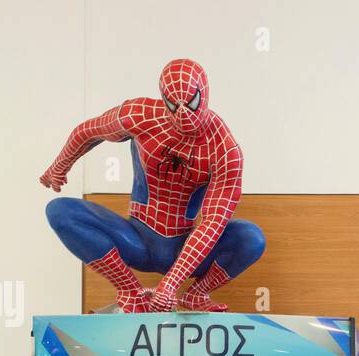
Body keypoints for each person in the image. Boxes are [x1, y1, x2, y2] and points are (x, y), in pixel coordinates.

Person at [41, 57, 265, 314]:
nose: (183, 115)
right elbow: (88, 131)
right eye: (173, 105)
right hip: (136, 238)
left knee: (251, 238)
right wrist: (60, 165)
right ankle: (130, 290)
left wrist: (171, 284)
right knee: (59, 211)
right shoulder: (140, 116)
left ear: (204, 95)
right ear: (163, 98)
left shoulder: (224, 149)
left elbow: (213, 222)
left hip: (183, 246)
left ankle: (196, 294)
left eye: (191, 103)